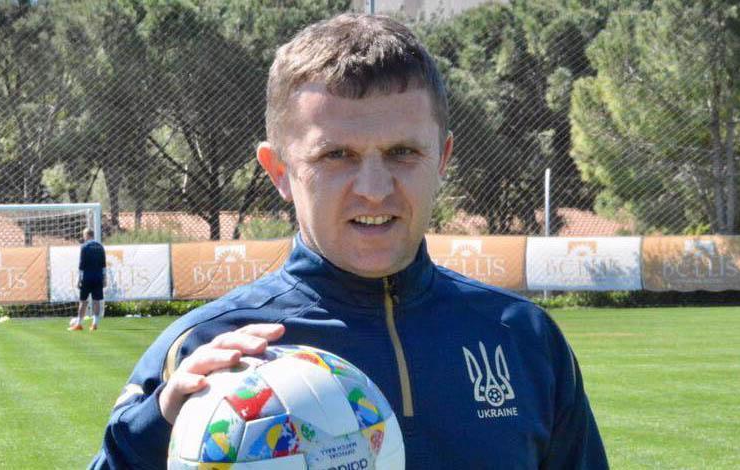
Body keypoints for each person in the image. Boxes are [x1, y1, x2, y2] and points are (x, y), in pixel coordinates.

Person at [90, 14, 607, 469]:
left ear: (443, 159)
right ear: (279, 171)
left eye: (403, 152)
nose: (374, 189)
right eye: (337, 156)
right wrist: (157, 427)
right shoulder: (210, 352)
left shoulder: (523, 339)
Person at [70, 227, 106, 332]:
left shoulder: (84, 247)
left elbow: (81, 264)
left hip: (87, 277)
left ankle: (79, 324)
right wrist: (105, 278)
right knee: (96, 301)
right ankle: (94, 324)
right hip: (98, 277)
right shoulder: (100, 246)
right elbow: (103, 264)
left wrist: (78, 279)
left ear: (86, 235)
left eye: (84, 235)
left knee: (83, 301)